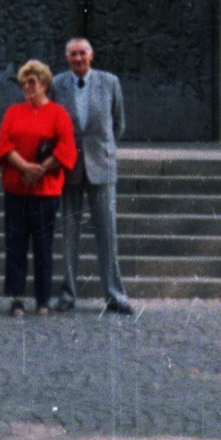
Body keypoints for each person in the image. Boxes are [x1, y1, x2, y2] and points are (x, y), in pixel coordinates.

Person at [52, 37, 133, 314]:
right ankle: (68, 294)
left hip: (101, 164)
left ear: (91, 55)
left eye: (82, 53)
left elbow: (118, 122)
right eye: (73, 54)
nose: (78, 59)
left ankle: (114, 295)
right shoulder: (57, 84)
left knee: (107, 232)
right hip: (70, 166)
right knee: (69, 233)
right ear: (67, 57)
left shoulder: (109, 82)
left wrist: (104, 149)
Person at [0, 60, 77, 317]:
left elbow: (66, 147)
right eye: (24, 82)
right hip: (17, 189)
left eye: (33, 81)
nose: (27, 86)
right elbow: (5, 145)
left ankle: (42, 299)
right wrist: (25, 168)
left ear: (44, 84)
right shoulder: (13, 112)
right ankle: (16, 298)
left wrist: (41, 168)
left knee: (43, 246)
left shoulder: (58, 114)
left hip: (45, 191)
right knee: (15, 244)